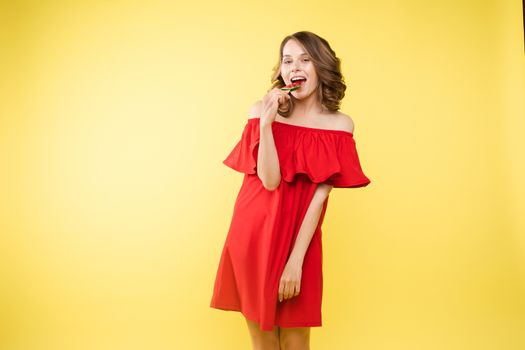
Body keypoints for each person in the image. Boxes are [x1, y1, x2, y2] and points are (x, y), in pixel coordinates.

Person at [210, 31, 371, 350]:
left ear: (321, 66)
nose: (294, 67)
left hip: (303, 238)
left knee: (298, 339)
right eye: (287, 60)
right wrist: (267, 124)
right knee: (264, 339)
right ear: (281, 72)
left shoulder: (340, 125)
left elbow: (321, 195)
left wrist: (296, 260)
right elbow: (270, 181)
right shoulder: (260, 111)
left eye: (304, 59)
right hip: (255, 232)